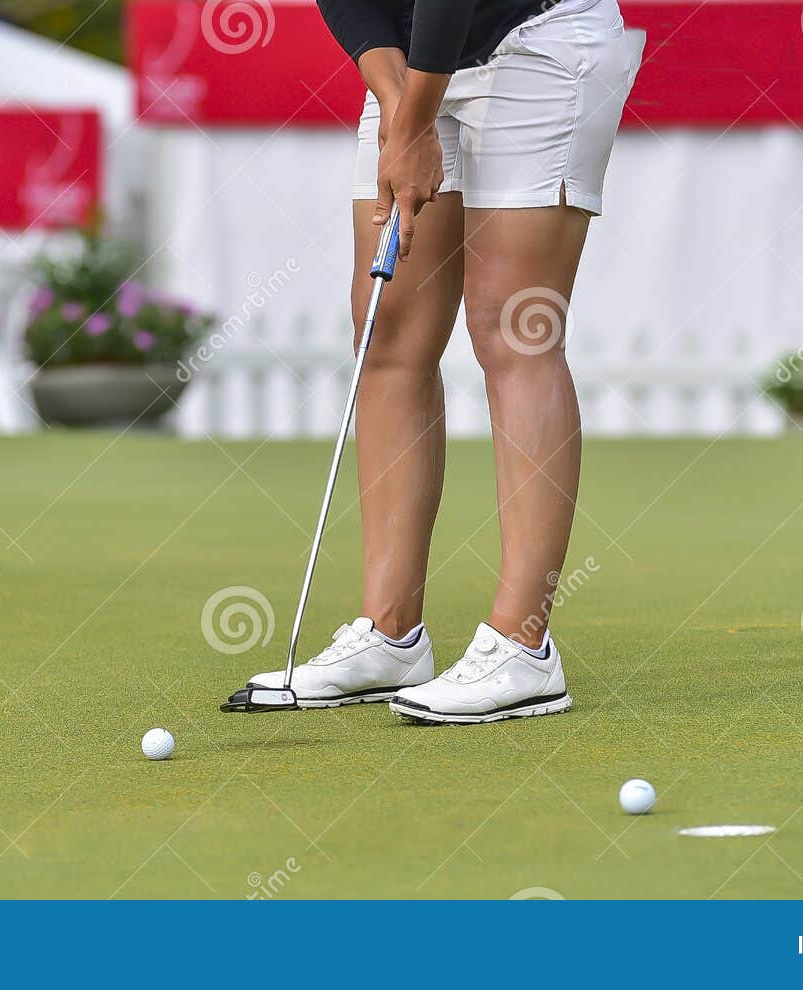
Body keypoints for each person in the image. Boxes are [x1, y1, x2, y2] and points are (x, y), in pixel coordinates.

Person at [247, 0, 641, 724]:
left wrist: (416, 119)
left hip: (538, 42)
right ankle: (389, 634)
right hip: (417, 66)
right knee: (387, 330)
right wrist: (402, 107)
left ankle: (524, 648)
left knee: (514, 328)